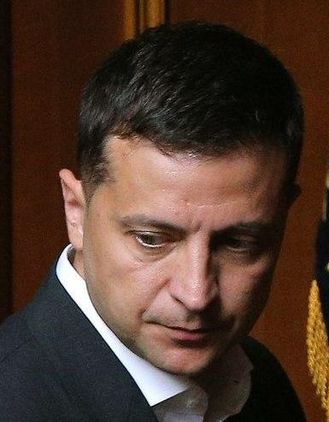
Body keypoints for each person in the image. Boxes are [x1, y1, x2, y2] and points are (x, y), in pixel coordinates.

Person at [0, 22, 306, 420]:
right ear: (76, 211)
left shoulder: (263, 382)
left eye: (238, 243)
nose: (196, 295)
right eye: (151, 239)